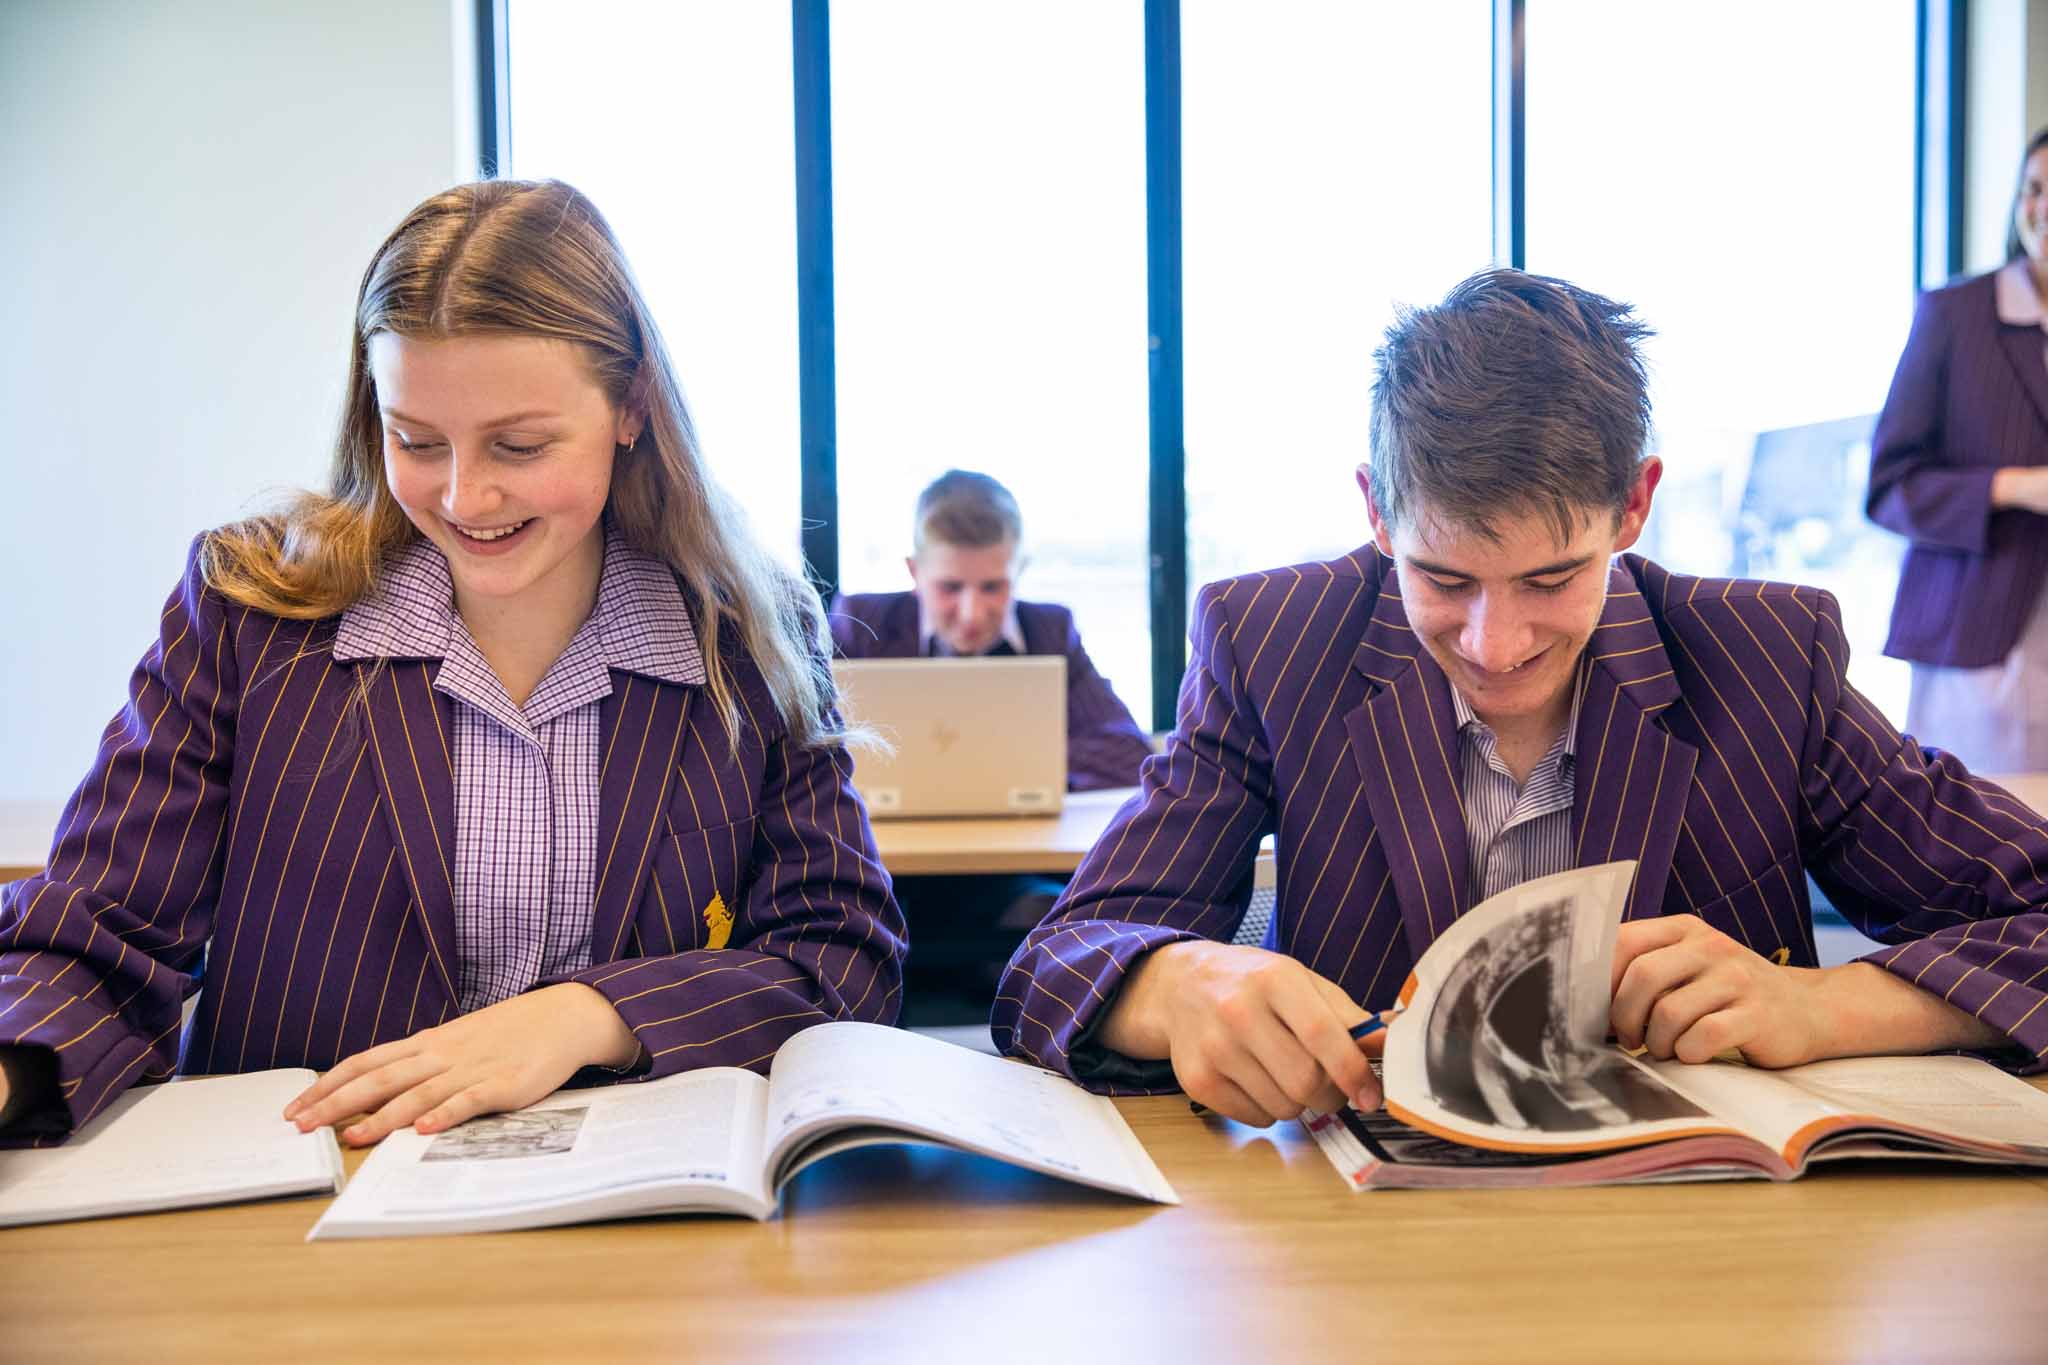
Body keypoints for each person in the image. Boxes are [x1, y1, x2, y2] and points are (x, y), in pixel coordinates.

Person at [996, 267, 2048, 1128]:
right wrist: (1177, 986)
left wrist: (1825, 1004)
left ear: (1631, 506)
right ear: (1375, 511)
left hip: (1712, 1255)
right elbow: (1058, 961)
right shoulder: (1271, 642)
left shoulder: (1767, 656)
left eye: (1551, 579)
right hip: (1360, 1250)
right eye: (1442, 580)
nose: (1494, 646)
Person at [0, 180, 905, 1147]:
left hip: (635, 1213)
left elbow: (838, 955)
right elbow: (96, 930)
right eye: (416, 441)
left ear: (631, 407)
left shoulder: (744, 637)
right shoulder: (248, 609)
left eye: (519, 443)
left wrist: (586, 1015)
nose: (468, 495)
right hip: (295, 1215)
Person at [1867, 127, 2048, 772]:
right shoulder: (1955, 314)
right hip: (1978, 643)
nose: (2043, 208)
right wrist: (2018, 486)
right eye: (2033, 189)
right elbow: (1888, 489)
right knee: (1984, 844)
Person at [828, 469, 1154, 792]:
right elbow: (812, 749)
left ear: (1019, 571)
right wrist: (1010, 757)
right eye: (950, 587)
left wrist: (976, 758)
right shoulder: (861, 625)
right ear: (915, 573)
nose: (972, 615)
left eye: (993, 587)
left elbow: (1128, 754)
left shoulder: (1050, 632)